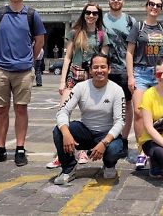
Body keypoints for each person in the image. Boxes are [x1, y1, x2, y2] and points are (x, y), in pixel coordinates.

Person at [0, 0, 46, 166]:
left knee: (21, 109)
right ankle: (0, 149)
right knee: (0, 111)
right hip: (0, 69)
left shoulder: (32, 15)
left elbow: (39, 41)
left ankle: (19, 149)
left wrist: (28, 59)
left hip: (24, 71)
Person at [47, 1, 109, 169]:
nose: (91, 16)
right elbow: (67, 57)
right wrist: (62, 80)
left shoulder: (102, 35)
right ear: (84, 14)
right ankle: (61, 154)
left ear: (98, 16)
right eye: (88, 13)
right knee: (63, 111)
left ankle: (82, 150)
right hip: (74, 74)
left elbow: (103, 60)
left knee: (88, 113)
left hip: (92, 76)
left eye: (94, 13)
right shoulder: (75, 33)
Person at [52, 54, 125, 185]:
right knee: (58, 131)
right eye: (95, 67)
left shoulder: (117, 90)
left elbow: (120, 121)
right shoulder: (81, 87)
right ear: (90, 70)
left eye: (103, 67)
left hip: (106, 134)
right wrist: (66, 133)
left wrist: (104, 143)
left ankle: (109, 165)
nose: (99, 70)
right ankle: (68, 169)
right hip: (85, 132)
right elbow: (63, 110)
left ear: (109, 69)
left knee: (115, 149)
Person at [126, 0, 163, 169]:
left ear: (161, 9)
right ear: (146, 6)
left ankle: (157, 147)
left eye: (158, 5)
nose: (155, 7)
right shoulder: (138, 26)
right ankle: (142, 150)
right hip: (141, 73)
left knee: (159, 113)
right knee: (139, 112)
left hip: (159, 74)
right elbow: (129, 52)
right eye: (151, 4)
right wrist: (130, 76)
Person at [103, 0, 136, 159]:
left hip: (124, 70)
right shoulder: (101, 20)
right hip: (105, 71)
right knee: (105, 106)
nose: (116, 1)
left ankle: (123, 140)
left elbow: (135, 48)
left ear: (123, 1)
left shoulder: (131, 21)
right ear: (108, 0)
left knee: (127, 106)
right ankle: (107, 138)